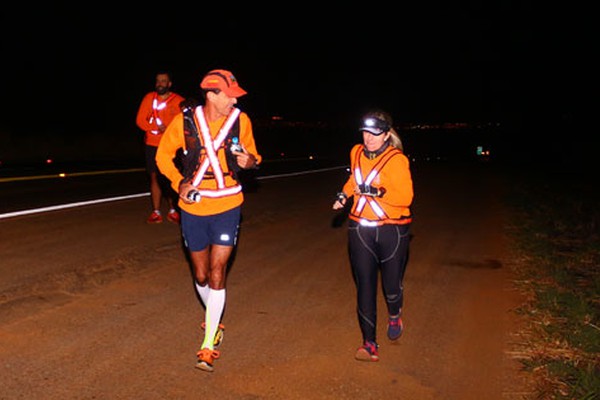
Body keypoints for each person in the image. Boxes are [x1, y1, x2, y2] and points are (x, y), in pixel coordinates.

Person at [155, 69, 261, 372]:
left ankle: (208, 343)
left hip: (229, 203)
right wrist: (179, 184)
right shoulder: (185, 121)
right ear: (212, 94)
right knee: (201, 275)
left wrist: (250, 161)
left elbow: (254, 155)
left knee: (217, 272)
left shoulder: (241, 121)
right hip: (194, 207)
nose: (234, 100)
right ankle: (214, 316)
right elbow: (163, 156)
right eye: (229, 95)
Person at [332, 109, 414, 362]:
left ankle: (394, 313)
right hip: (361, 228)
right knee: (365, 285)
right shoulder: (356, 152)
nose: (369, 138)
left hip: (392, 229)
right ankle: (369, 343)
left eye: (375, 133)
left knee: (391, 285)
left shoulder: (397, 160)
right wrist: (345, 195)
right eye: (366, 132)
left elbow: (406, 198)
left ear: (387, 134)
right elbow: (355, 180)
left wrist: (376, 191)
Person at [136, 71, 185, 224]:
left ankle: (173, 210)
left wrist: (169, 130)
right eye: (158, 81)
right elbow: (140, 121)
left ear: (169, 84)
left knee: (171, 177)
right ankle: (156, 211)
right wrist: (154, 128)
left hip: (171, 146)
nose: (160, 84)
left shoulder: (178, 101)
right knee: (154, 177)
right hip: (152, 144)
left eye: (163, 81)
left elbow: (184, 124)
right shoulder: (149, 98)